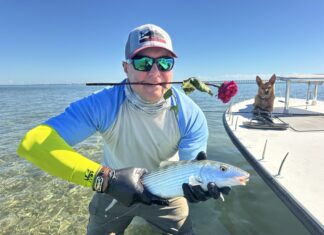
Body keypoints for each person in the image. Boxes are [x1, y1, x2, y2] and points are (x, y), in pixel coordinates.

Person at [17, 24, 230, 235]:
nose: (155, 72)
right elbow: (33, 143)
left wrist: (198, 185)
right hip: (112, 189)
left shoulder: (190, 114)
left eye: (165, 62)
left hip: (169, 190)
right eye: (144, 62)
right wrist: (105, 179)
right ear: (126, 67)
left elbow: (193, 167)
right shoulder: (103, 104)